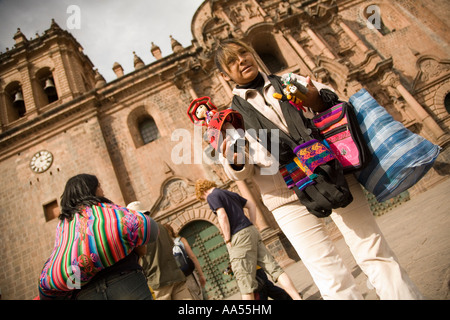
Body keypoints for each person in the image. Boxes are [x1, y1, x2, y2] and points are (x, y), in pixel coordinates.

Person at [213, 39, 424, 300]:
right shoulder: (231, 118)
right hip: (285, 198)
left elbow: (337, 103)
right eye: (231, 61)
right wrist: (235, 159)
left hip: (331, 172)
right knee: (329, 274)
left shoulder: (289, 80)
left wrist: (316, 99)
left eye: (243, 53)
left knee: (374, 250)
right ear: (224, 75)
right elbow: (241, 173)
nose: (241, 61)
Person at [38, 174, 158, 300]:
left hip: (85, 294)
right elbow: (151, 230)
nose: (102, 190)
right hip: (125, 281)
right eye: (99, 186)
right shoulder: (106, 210)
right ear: (90, 189)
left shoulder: (63, 225)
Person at [195, 179, 301, 300]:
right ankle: (297, 298)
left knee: (244, 279)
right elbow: (251, 205)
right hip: (251, 231)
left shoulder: (211, 196)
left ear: (202, 192)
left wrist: (227, 239)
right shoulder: (229, 193)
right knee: (275, 269)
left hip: (238, 235)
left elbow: (222, 215)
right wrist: (252, 223)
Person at [140, 221, 193, 300]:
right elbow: (171, 245)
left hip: (157, 281)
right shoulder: (159, 226)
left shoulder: (135, 232)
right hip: (175, 275)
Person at [165, 224, 206, 300]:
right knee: (197, 295)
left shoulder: (164, 247)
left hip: (177, 279)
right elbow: (192, 257)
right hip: (189, 274)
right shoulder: (180, 240)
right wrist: (201, 274)